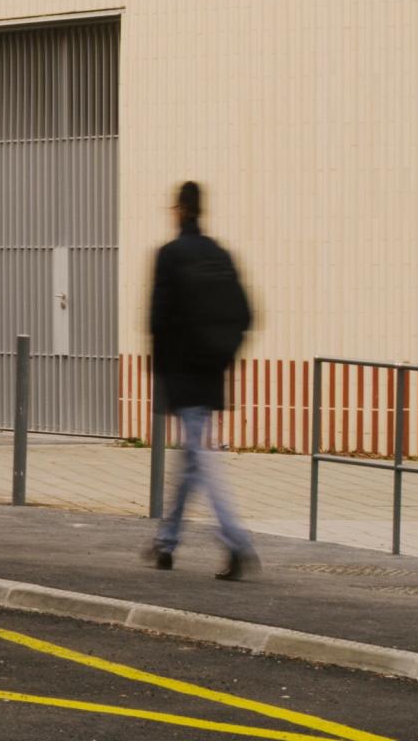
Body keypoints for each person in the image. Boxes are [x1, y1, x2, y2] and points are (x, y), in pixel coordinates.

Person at [148, 180, 258, 577]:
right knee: (191, 459)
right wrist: (223, 356)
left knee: (202, 460)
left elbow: (157, 320)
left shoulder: (170, 255)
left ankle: (236, 542)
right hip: (212, 372)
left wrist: (160, 376)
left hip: (181, 373)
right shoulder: (219, 255)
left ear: (179, 210)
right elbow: (247, 314)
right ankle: (166, 541)